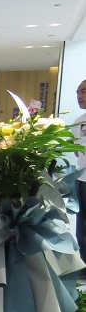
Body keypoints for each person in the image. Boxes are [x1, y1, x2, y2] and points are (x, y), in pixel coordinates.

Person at [73, 79, 86, 277]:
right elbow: (76, 151)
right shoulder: (78, 121)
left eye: (83, 91)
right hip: (82, 179)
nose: (79, 96)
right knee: (81, 226)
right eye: (77, 92)